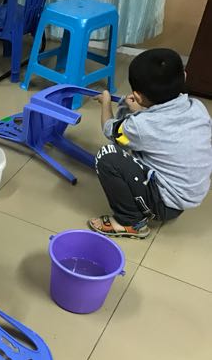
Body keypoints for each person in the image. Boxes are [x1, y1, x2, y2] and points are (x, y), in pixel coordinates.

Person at [89, 48, 212, 239]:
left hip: (164, 205)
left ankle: (130, 222)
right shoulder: (197, 108)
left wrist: (106, 102)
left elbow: (111, 131)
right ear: (184, 76)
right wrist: (141, 111)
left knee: (107, 156)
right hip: (187, 196)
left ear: (137, 96)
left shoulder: (140, 126)